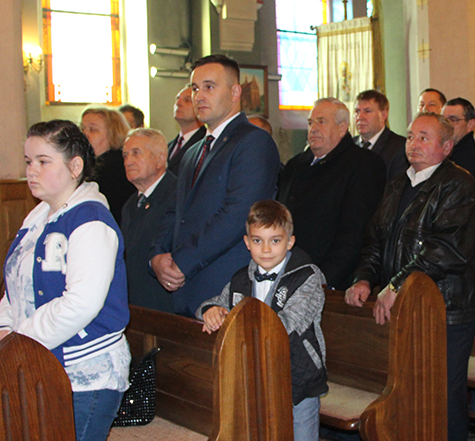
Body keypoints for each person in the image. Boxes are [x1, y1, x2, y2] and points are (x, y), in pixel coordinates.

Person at [0, 119, 130, 441]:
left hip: (88, 374)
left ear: (74, 166)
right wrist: (0, 329)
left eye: (42, 161)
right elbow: (15, 288)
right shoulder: (38, 218)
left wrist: (18, 340)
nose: (31, 170)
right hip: (42, 364)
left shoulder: (91, 221)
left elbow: (82, 302)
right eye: (28, 160)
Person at [346, 112, 475, 441]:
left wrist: (396, 285)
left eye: (424, 137)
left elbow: (448, 250)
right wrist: (364, 277)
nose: (413, 144)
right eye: (410, 137)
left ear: (447, 146)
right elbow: (376, 240)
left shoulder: (460, 186)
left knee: (444, 395)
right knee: (408, 392)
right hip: (406, 308)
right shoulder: (399, 183)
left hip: (446, 308)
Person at [197, 201, 343, 441]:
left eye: (275, 241)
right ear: (247, 242)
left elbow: (287, 323)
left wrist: (239, 320)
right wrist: (211, 311)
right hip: (260, 382)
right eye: (258, 241)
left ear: (289, 241)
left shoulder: (307, 277)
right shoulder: (240, 278)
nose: (266, 249)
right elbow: (214, 302)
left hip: (298, 380)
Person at [150, 54, 281, 316]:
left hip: (225, 288)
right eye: (195, 88)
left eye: (209, 87)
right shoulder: (193, 151)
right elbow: (176, 211)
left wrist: (183, 262)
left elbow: (237, 215)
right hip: (186, 288)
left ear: (235, 92)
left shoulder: (253, 142)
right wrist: (157, 256)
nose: (198, 96)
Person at [277, 98, 386, 289]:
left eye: (321, 122)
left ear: (342, 128)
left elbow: (354, 233)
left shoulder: (363, 165)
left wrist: (323, 280)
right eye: (310, 123)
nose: (313, 129)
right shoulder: (295, 165)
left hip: (331, 280)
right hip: (288, 274)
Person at [120, 128, 176, 313]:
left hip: (165, 307)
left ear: (160, 159)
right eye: (125, 155)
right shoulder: (130, 204)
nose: (128, 161)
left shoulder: (177, 196)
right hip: (135, 305)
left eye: (136, 153)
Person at [81, 107, 135, 224]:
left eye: (93, 130)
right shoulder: (88, 164)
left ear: (113, 134)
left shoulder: (116, 167)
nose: (85, 134)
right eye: (82, 129)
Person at [354, 89, 407, 180]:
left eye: (367, 111)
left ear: (383, 115)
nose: (360, 117)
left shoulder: (399, 147)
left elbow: (395, 186)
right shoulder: (348, 145)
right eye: (357, 111)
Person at [168, 85, 207, 174]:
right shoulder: (169, 147)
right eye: (177, 99)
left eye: (187, 100)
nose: (178, 103)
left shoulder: (206, 144)